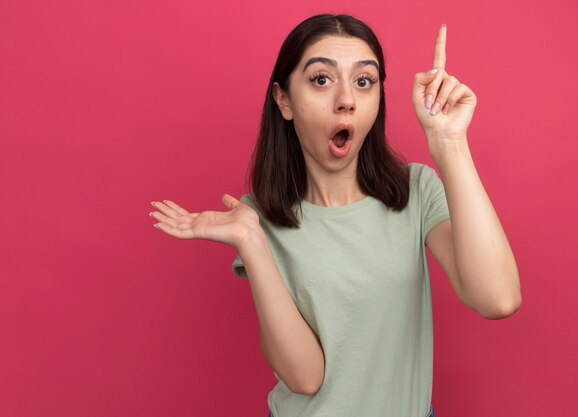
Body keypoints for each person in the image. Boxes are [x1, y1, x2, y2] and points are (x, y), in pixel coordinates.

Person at [148, 13, 521, 417]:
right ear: (284, 100)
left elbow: (498, 299)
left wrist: (449, 142)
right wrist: (252, 243)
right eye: (321, 79)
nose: (346, 99)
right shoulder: (256, 219)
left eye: (364, 81)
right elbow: (305, 378)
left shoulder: (415, 191)